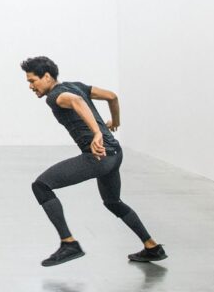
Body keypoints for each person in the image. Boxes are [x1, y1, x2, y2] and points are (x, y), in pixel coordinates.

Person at [23, 56, 165, 268]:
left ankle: (69, 244)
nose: (30, 86)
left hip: (98, 157)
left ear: (47, 77)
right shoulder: (76, 86)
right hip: (115, 153)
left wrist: (97, 133)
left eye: (32, 81)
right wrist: (115, 122)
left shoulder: (55, 96)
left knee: (41, 186)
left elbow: (77, 102)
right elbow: (112, 96)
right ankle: (152, 247)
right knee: (113, 202)